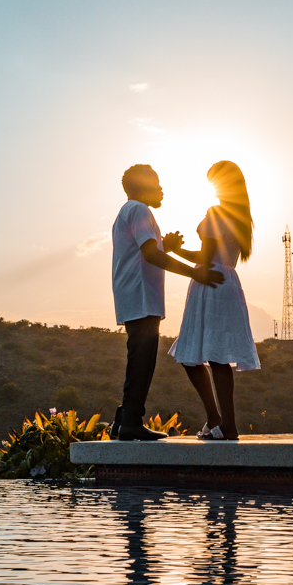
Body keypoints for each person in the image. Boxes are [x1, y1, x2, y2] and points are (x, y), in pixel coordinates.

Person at [111, 164, 225, 441]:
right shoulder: (139, 209)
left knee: (140, 359)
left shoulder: (129, 211)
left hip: (135, 296)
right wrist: (194, 272)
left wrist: (168, 246)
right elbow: (151, 255)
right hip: (140, 297)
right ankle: (130, 422)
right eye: (157, 184)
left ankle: (124, 420)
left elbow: (150, 249)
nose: (162, 189)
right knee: (141, 360)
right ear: (142, 187)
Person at [168, 161, 261, 441]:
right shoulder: (241, 216)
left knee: (205, 357)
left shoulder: (216, 213)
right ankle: (219, 421)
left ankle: (222, 422)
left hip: (210, 281)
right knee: (213, 355)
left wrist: (174, 250)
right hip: (228, 281)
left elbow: (205, 258)